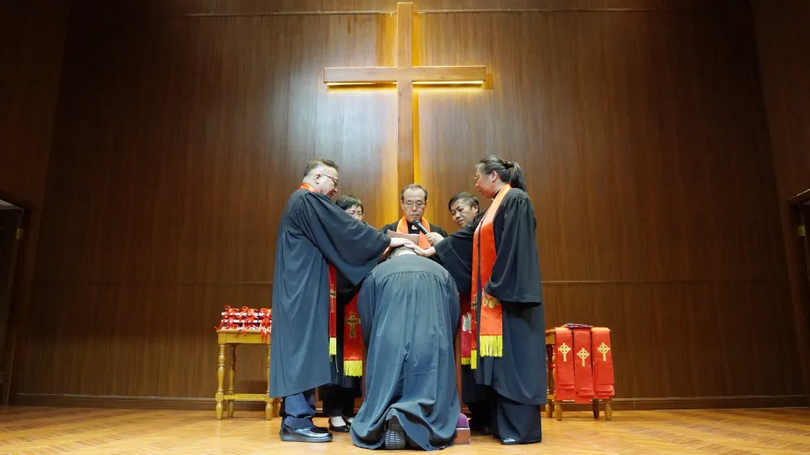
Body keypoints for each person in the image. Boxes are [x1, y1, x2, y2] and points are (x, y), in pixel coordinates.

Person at [270, 159, 413, 443]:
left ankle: (296, 419)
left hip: (301, 288)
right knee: (301, 351)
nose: (335, 189)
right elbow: (346, 229)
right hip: (301, 291)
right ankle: (297, 421)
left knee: (303, 350)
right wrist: (385, 240)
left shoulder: (301, 201)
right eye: (334, 182)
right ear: (319, 177)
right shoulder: (307, 199)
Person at [411, 155, 546, 445]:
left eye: (478, 177)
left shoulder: (516, 201)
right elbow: (466, 238)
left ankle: (521, 430)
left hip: (512, 298)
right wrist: (433, 251)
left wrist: (496, 285)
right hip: (497, 300)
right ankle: (504, 426)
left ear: (493, 176)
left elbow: (515, 248)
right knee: (502, 365)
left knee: (515, 365)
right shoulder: (491, 211)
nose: (476, 182)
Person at [350, 246, 461, 450]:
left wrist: (374, 339)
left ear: (391, 256)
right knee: (428, 389)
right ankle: (419, 429)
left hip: (388, 340)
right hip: (432, 339)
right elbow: (453, 313)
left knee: (388, 386)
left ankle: (390, 416)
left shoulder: (377, 273)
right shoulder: (442, 273)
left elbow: (366, 316)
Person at [433, 191, 492, 435]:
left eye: (461, 209)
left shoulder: (485, 229)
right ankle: (478, 414)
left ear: (475, 207)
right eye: (453, 213)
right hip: (467, 309)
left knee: (485, 360)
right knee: (468, 363)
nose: (457, 215)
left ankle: (489, 414)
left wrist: (441, 243)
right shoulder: (460, 238)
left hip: (489, 309)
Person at [318, 194, 366, 433]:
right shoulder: (332, 240)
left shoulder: (363, 239)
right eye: (351, 213)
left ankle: (348, 411)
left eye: (359, 213)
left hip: (356, 308)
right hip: (334, 307)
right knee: (334, 364)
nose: (356, 218)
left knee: (353, 364)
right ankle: (334, 412)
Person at [380, 184, 448, 250]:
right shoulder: (389, 230)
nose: (414, 208)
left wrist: (442, 245)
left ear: (425, 204)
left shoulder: (437, 232)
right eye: (409, 204)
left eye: (419, 204)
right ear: (402, 205)